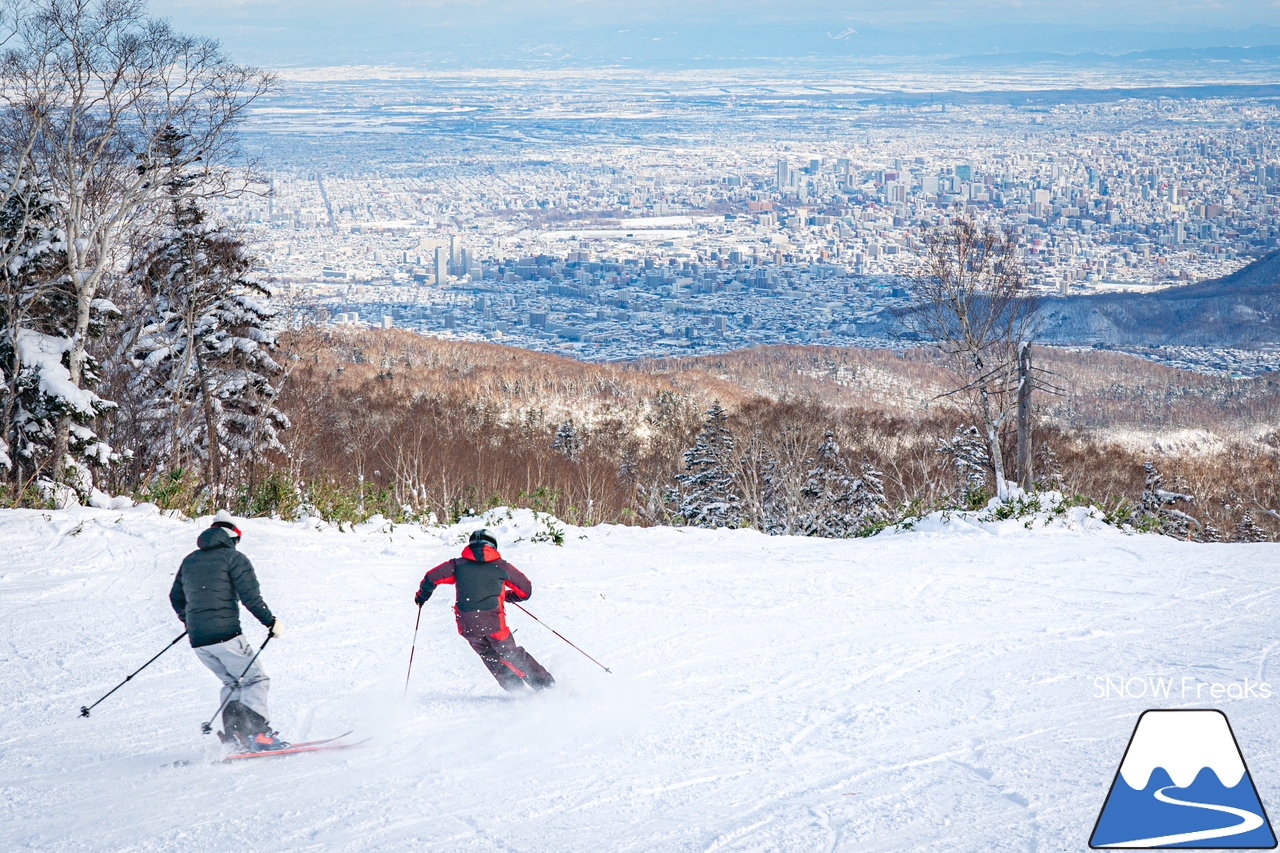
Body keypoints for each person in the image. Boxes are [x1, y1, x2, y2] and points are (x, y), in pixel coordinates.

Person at [170, 510, 287, 749]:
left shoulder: (190, 560)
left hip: (199, 640)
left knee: (233, 682)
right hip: (226, 636)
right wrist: (270, 622)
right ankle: (257, 734)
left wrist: (190, 621)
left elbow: (175, 597)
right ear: (233, 537)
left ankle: (236, 735)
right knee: (255, 680)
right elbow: (250, 597)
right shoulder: (234, 558)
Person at [415, 529, 555, 692]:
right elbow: (525, 590)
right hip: (494, 624)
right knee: (510, 654)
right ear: (493, 545)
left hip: (468, 626)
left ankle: (516, 690)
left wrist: (422, 596)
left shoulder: (457, 565)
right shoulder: (501, 566)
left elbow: (431, 577)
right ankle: (546, 686)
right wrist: (509, 596)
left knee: (489, 656)